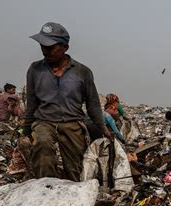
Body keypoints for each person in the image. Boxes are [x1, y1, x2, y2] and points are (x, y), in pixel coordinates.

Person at [23, 22, 111, 182]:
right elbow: (31, 103)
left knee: (75, 169)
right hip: (44, 121)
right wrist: (26, 131)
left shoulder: (82, 72)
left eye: (50, 47)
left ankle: (72, 195)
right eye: (42, 46)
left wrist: (103, 129)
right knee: (42, 148)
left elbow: (93, 104)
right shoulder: (35, 69)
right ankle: (46, 190)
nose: (44, 51)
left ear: (65, 47)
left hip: (72, 123)